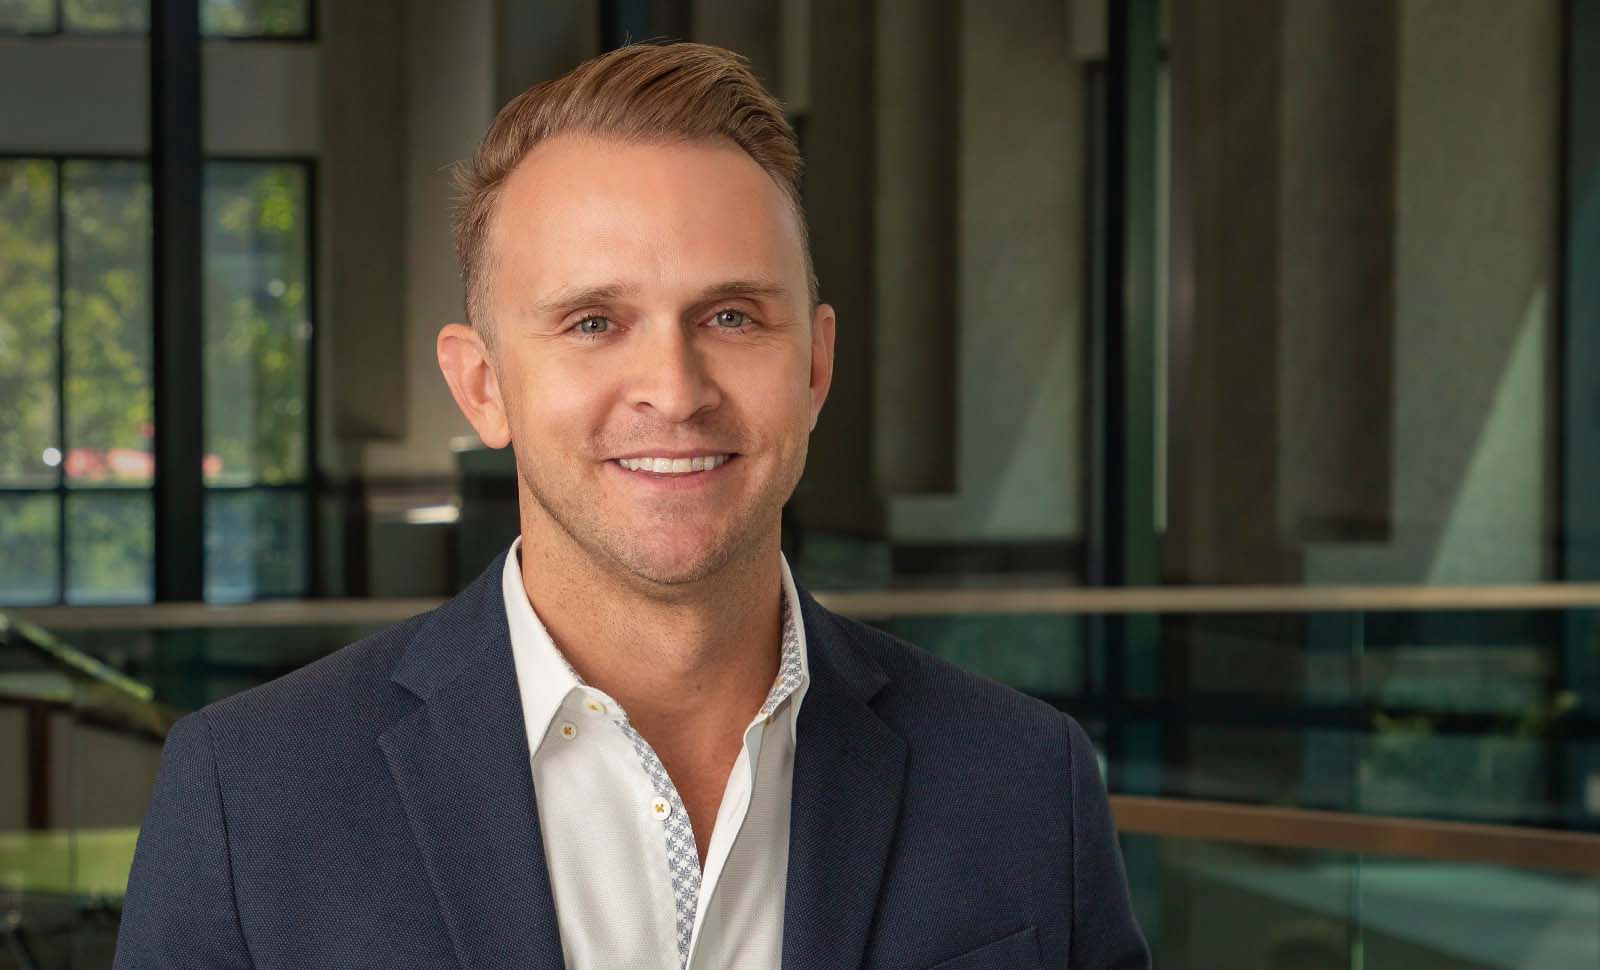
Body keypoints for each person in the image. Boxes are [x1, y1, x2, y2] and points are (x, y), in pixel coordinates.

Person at [114, 41, 1150, 970]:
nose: (676, 387)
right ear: (482, 386)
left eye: (733, 315)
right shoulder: (250, 797)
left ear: (816, 366)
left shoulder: (1025, 781)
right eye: (594, 321)